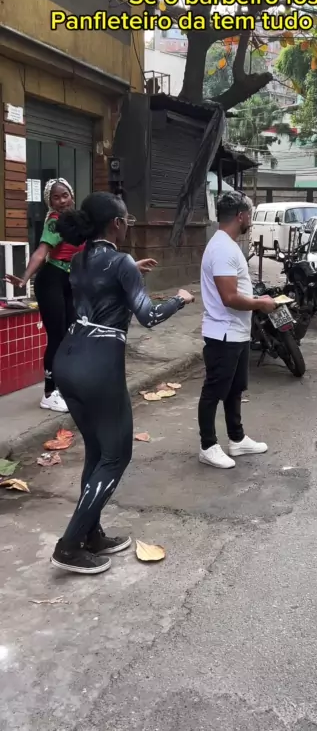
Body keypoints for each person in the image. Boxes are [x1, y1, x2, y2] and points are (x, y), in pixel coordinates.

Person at [50, 191, 194, 575]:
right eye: (127, 219)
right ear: (116, 223)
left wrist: (131, 271)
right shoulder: (121, 262)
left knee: (98, 450)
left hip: (67, 360)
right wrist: (180, 298)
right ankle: (69, 545)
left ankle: (91, 535)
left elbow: (101, 286)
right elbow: (149, 316)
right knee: (116, 456)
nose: (128, 224)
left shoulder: (79, 258)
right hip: (99, 366)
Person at [198, 191, 276, 469]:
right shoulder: (222, 249)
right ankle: (208, 446)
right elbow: (229, 297)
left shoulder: (227, 245)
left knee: (234, 389)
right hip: (224, 333)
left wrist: (256, 300)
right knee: (214, 391)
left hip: (236, 332)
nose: (250, 221)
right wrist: (260, 304)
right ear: (241, 216)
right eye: (250, 215)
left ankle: (237, 439)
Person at [5, 178, 81, 412]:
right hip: (51, 280)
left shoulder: (79, 220)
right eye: (55, 197)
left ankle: (63, 386)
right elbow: (41, 252)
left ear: (72, 195)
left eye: (65, 195)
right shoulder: (54, 222)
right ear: (50, 202)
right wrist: (24, 279)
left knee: (70, 334)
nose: (61, 201)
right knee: (56, 336)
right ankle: (49, 393)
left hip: (70, 281)